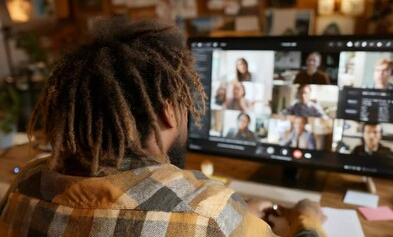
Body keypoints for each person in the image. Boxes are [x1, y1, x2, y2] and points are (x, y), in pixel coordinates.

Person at [0, 19, 326, 237]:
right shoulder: (210, 216)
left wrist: (239, 213)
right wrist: (305, 219)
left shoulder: (24, 185)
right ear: (169, 109)